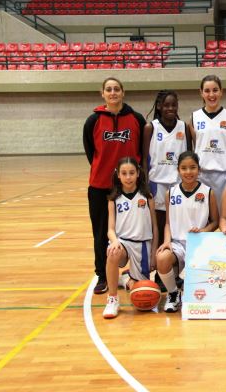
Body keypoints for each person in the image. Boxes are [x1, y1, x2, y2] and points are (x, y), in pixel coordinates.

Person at [83, 77, 146, 295]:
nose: (113, 93)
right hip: (101, 186)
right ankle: (102, 274)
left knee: (132, 230)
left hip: (130, 187)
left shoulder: (136, 118)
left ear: (123, 92)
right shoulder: (93, 121)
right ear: (102, 94)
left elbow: (140, 152)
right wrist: (107, 173)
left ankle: (137, 270)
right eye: (108, 89)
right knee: (101, 232)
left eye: (116, 89)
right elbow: (92, 153)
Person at [155, 152, 219, 313]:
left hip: (199, 243)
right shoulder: (171, 192)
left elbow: (215, 221)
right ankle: (173, 294)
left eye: (192, 168)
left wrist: (203, 230)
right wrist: (166, 241)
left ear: (199, 170)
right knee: (162, 258)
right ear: (178, 170)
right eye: (184, 168)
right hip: (177, 243)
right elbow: (168, 223)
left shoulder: (208, 192)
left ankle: (191, 291)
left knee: (198, 278)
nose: (188, 172)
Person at [143, 90, 192, 291]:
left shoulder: (184, 127)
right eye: (167, 105)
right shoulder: (150, 128)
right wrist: (145, 183)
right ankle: (158, 274)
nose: (171, 108)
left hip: (177, 187)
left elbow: (188, 155)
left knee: (175, 231)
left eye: (174, 105)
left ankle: (172, 272)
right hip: (157, 184)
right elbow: (144, 158)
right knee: (159, 230)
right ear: (159, 106)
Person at [103, 157, 158, 319]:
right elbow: (110, 229)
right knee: (112, 252)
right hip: (123, 243)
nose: (128, 177)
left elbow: (155, 227)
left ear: (138, 174)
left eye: (132, 173)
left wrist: (154, 251)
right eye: (124, 173)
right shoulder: (113, 199)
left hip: (143, 245)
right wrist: (114, 241)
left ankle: (127, 279)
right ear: (118, 175)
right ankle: (112, 299)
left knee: (142, 293)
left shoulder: (147, 197)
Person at [190, 75, 226, 209]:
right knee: (203, 215)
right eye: (207, 91)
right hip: (202, 174)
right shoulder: (194, 117)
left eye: (215, 90)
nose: (211, 94)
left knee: (224, 214)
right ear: (201, 93)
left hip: (224, 173)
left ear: (221, 91)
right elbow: (196, 144)